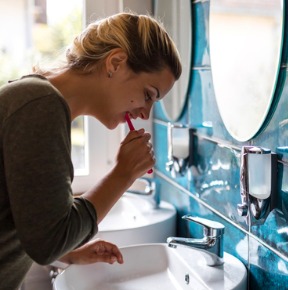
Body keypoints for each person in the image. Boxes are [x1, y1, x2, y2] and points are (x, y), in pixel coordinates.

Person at [0, 11, 182, 289]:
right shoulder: (39, 105)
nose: (145, 113)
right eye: (148, 94)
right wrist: (122, 174)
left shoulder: (41, 103)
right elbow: (48, 241)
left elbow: (28, 221)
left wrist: (68, 253)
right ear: (116, 63)